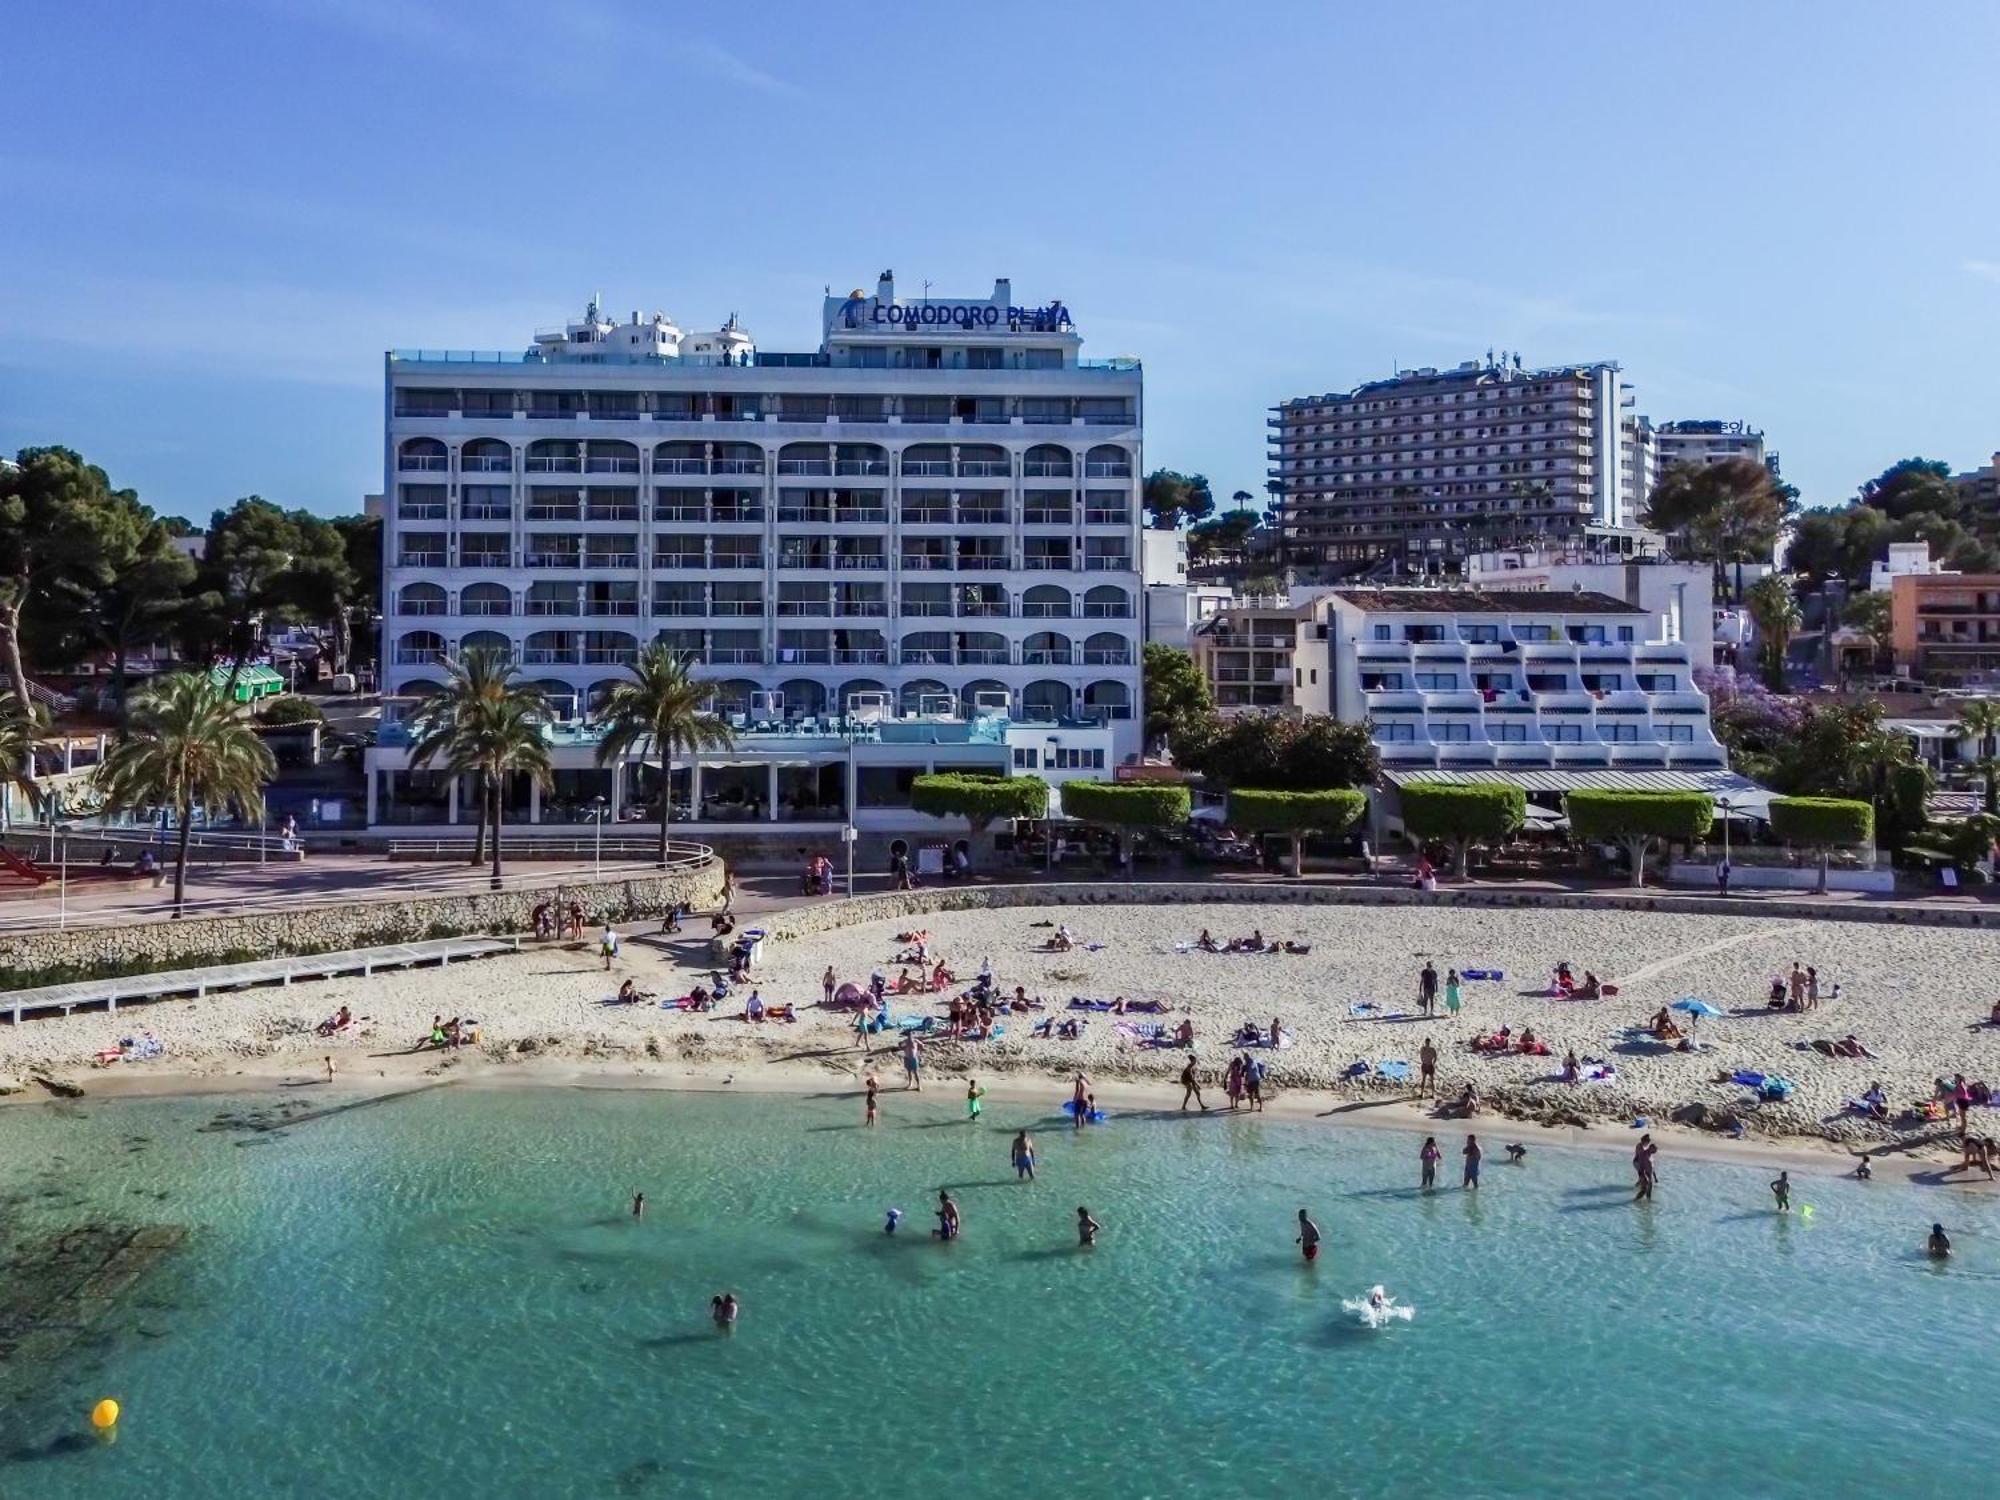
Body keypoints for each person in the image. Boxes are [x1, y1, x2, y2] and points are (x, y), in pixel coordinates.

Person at [1633, 1134, 1659, 1202]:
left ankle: (1648, 1200)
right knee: (1644, 1189)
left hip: (1649, 1175)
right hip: (1644, 1173)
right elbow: (1641, 1167)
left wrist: (1655, 1177)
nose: (1656, 1151)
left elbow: (1652, 1167)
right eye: (1655, 1149)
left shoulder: (1651, 1156)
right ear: (1651, 1148)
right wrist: (1644, 1177)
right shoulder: (1644, 1154)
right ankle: (1635, 1201)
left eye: (1656, 1149)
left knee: (1650, 1188)